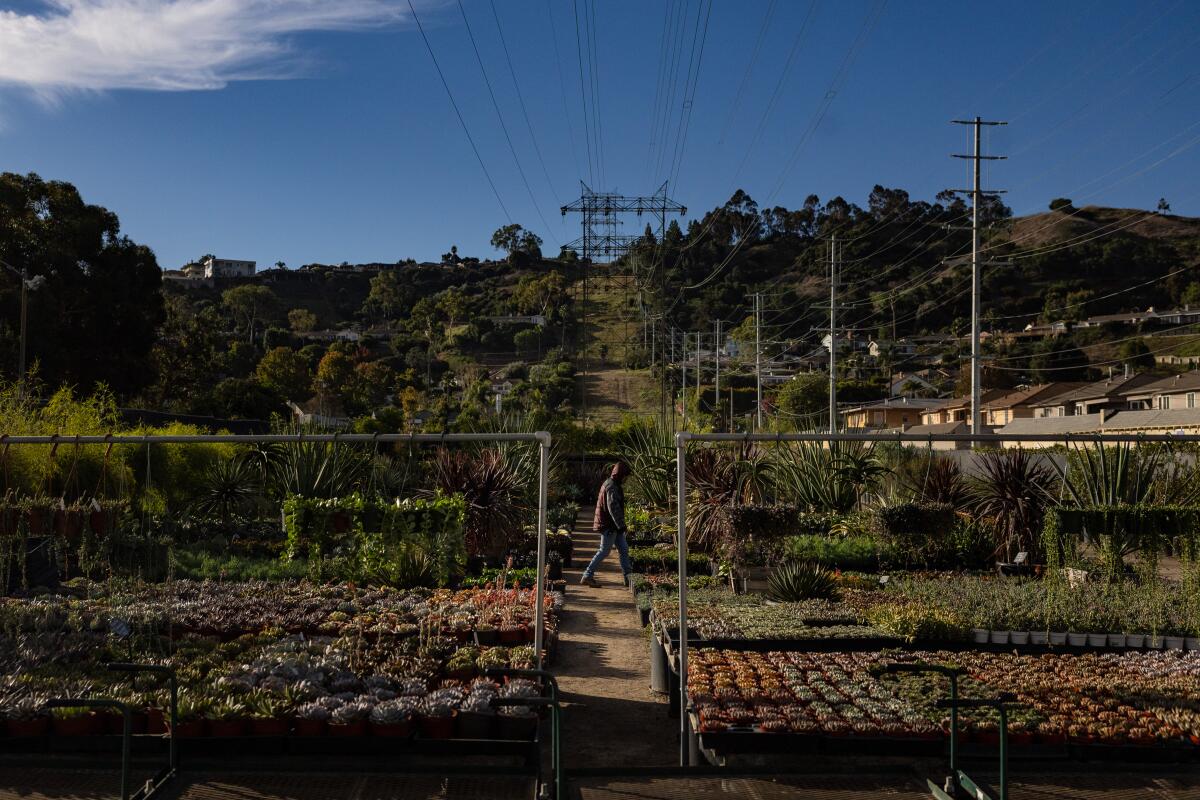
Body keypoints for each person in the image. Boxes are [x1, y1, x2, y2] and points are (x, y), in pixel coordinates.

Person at [581, 462, 632, 587]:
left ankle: (628, 578)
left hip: (613, 526)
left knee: (624, 550)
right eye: (625, 476)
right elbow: (613, 508)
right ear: (620, 475)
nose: (626, 479)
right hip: (609, 526)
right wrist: (621, 525)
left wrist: (620, 526)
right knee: (604, 551)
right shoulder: (611, 486)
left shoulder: (613, 484)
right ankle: (587, 575)